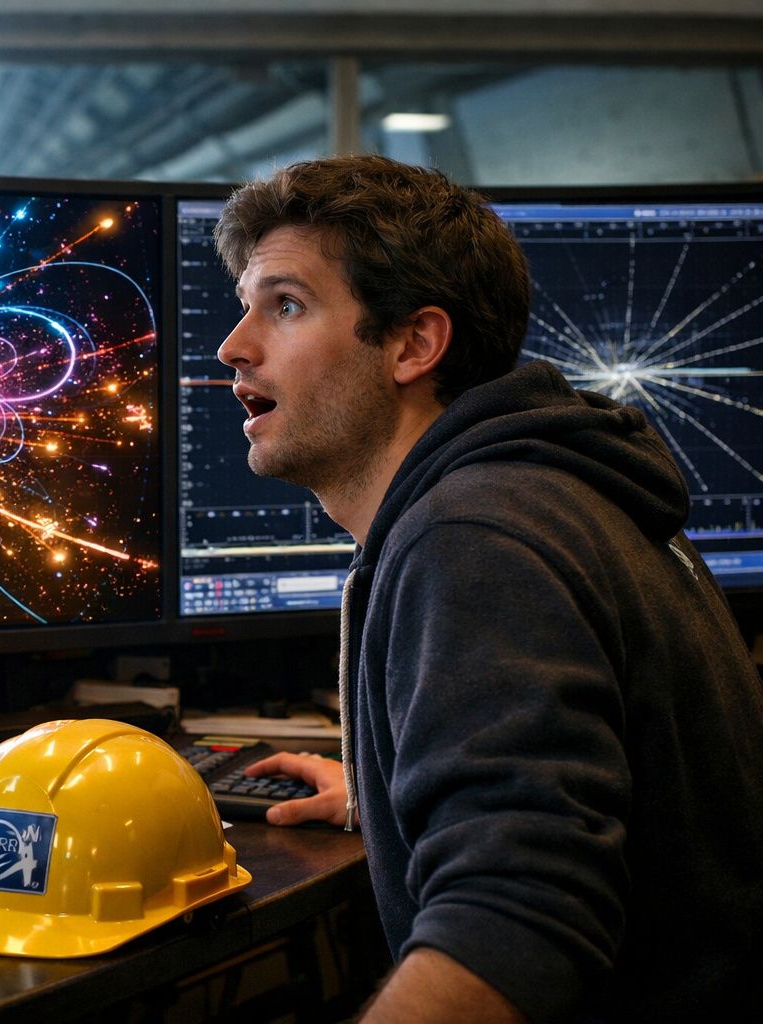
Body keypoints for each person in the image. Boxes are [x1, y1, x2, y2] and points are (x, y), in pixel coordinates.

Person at [214, 154, 763, 1022]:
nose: (233, 346)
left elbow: (518, 919)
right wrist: (401, 782)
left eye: (286, 305)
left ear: (413, 344)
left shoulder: (473, 538)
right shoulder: (560, 493)